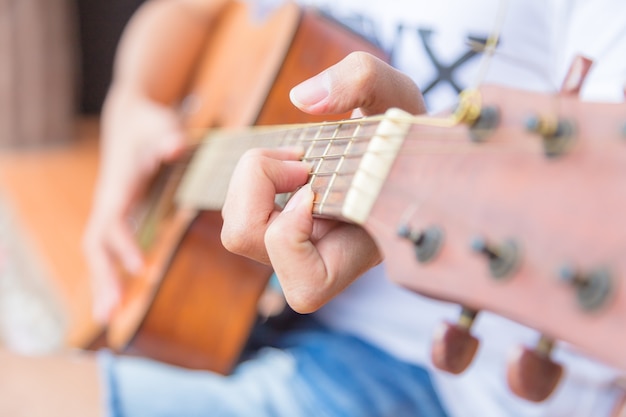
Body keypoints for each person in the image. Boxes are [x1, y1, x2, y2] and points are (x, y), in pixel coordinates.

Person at [2, 0, 625, 416]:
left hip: (434, 378)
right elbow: (182, 14)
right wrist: (131, 106)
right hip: (255, 303)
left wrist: (400, 175)